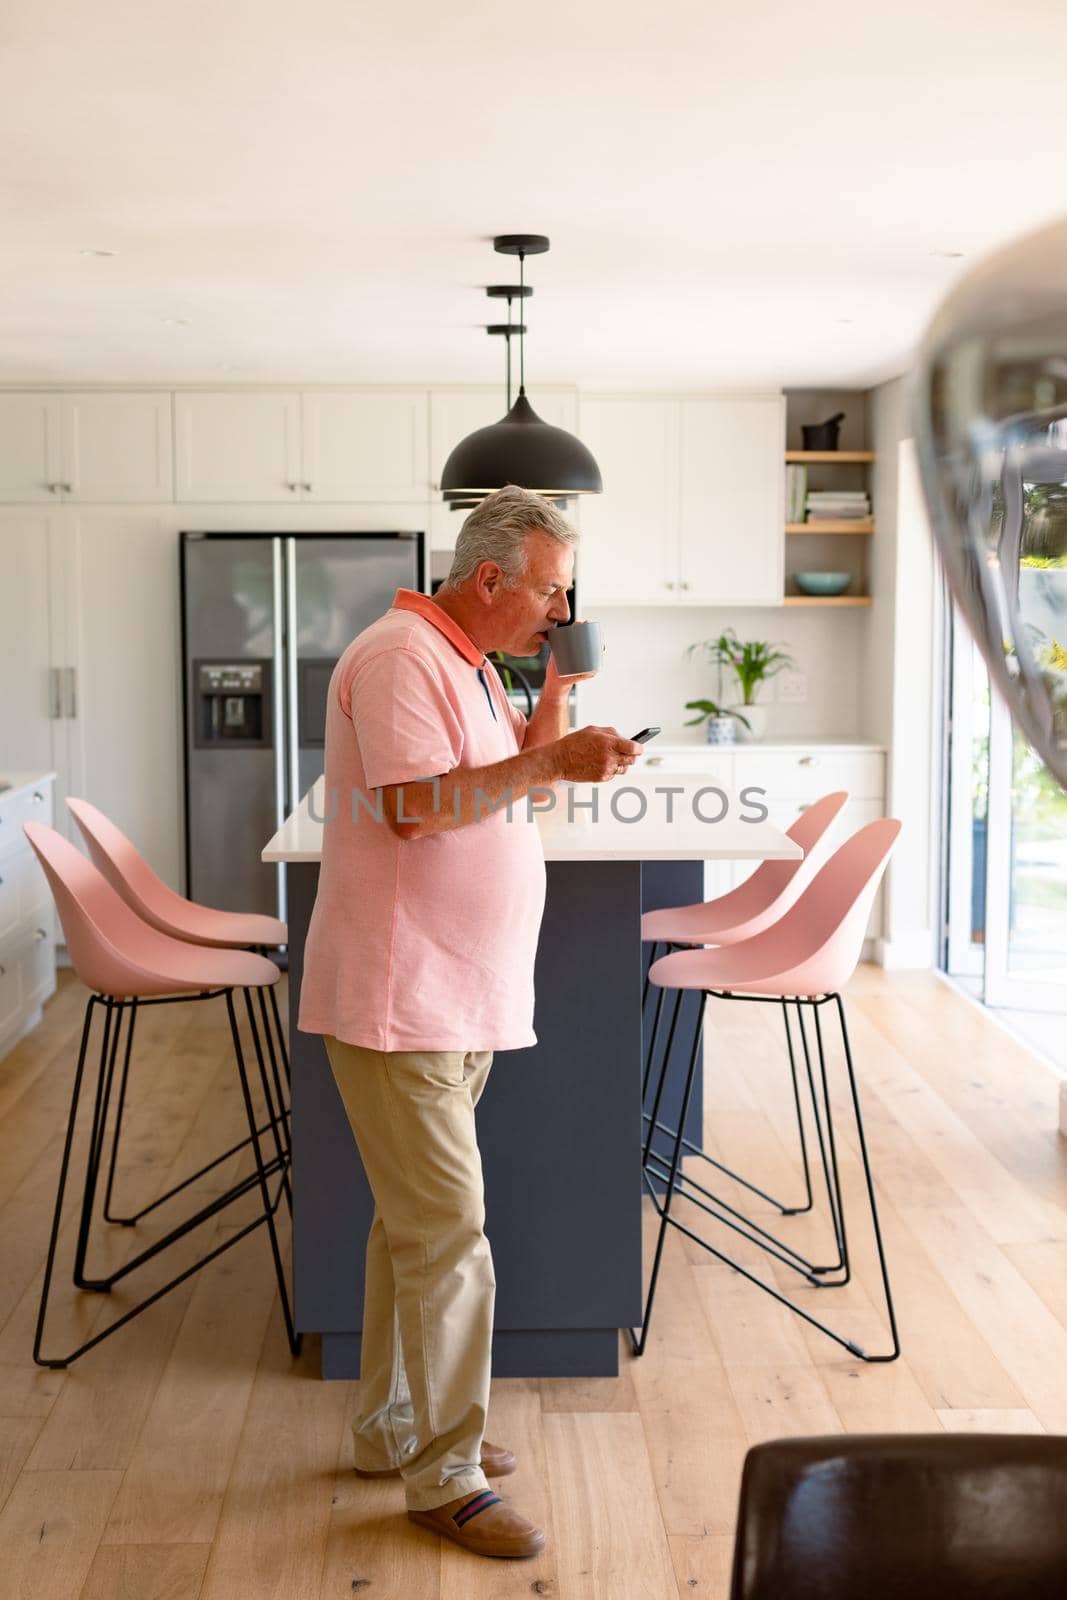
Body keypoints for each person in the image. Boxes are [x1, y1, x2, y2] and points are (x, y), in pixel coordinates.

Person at [298, 484, 642, 1561]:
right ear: (488, 577)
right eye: (549, 588)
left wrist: (557, 700)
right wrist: (551, 758)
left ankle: (390, 1428)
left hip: (453, 994)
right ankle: (442, 1476)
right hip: (404, 999)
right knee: (448, 1237)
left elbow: (512, 795)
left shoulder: (469, 663)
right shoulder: (403, 656)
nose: (559, 603)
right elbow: (414, 806)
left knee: (414, 1231)